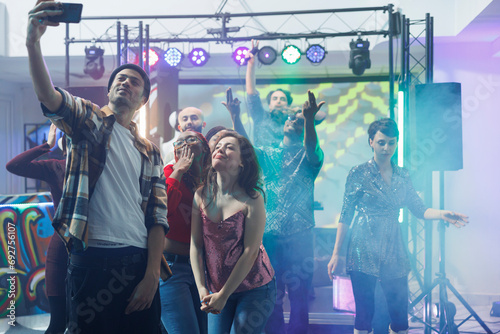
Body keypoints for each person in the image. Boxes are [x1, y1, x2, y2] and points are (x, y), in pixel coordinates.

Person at [27, 2, 169, 333]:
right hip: (91, 257)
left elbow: (157, 216)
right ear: (108, 90)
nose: (126, 84)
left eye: (134, 82)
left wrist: (151, 275)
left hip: (136, 260)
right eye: (120, 79)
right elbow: (49, 96)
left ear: (143, 99)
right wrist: (33, 43)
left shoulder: (149, 151)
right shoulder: (89, 120)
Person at [327, 118, 469, 334]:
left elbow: (419, 209)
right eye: (382, 142)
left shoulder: (403, 174)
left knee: (400, 315)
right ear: (371, 142)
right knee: (364, 315)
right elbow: (346, 215)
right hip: (362, 248)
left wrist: (443, 214)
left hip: (394, 248)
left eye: (392, 143)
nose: (387, 148)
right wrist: (336, 253)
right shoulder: (358, 172)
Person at [190, 131, 276, 334]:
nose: (221, 148)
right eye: (218, 146)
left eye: (229, 147)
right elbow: (196, 245)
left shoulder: (253, 198)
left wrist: (224, 295)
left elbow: (250, 252)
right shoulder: (201, 195)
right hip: (217, 288)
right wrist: (202, 288)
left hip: (255, 288)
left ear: (242, 162)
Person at [255, 91, 325, 334]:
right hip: (270, 237)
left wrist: (308, 120)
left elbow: (311, 145)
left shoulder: (311, 155)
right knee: (271, 298)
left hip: (301, 236)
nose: (293, 121)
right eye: (291, 119)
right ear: (283, 126)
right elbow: (243, 148)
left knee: (299, 300)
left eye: (299, 121)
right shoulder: (269, 154)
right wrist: (235, 117)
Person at [6, 123, 67, 334]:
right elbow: (13, 166)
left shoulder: (101, 169)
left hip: (94, 250)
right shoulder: (57, 166)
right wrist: (46, 145)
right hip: (62, 249)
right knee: (59, 323)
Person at [159, 131, 210, 334]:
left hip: (205, 270)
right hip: (173, 268)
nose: (184, 143)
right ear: (175, 151)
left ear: (205, 149)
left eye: (191, 139)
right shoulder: (170, 172)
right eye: (179, 141)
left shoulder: (212, 179)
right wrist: (178, 171)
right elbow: (163, 211)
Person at [245, 40, 325, 147]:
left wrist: (299, 112)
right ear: (269, 105)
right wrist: (251, 64)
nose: (278, 101)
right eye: (275, 99)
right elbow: (251, 93)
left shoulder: (296, 119)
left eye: (282, 99)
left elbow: (321, 116)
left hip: (290, 161)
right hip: (262, 162)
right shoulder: (260, 116)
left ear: (288, 104)